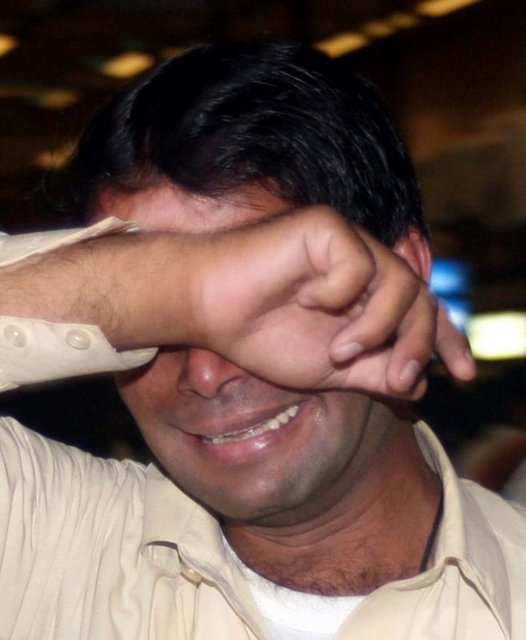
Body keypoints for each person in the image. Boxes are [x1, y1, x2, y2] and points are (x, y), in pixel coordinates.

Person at [1, 41, 520, 640]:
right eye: (153, 323)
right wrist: (187, 289)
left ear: (401, 275)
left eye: (267, 299)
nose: (204, 374)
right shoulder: (43, 547)